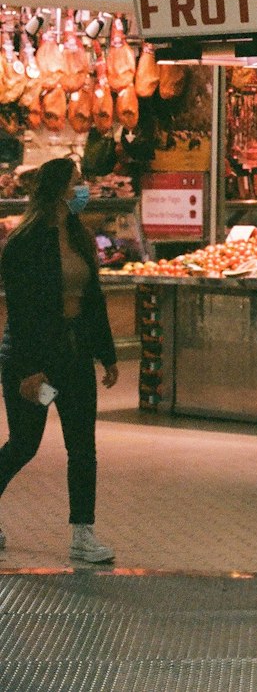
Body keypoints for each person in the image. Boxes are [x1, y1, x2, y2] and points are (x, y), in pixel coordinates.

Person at [0, 157, 118, 563]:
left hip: (75, 355)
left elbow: (93, 299)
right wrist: (30, 370)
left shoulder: (80, 236)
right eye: (77, 182)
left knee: (83, 447)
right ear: (57, 190)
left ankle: (83, 534)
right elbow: (22, 311)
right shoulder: (24, 243)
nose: (83, 189)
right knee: (24, 445)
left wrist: (106, 353)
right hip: (33, 359)